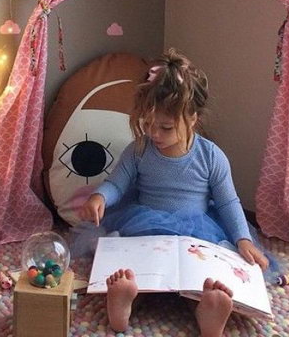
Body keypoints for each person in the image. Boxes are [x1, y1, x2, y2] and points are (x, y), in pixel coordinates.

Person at [78, 48, 269, 336]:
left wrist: (242, 238)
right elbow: (118, 183)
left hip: (197, 233)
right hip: (146, 228)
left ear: (192, 118)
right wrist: (100, 196)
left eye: (165, 127)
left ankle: (207, 309)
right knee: (137, 271)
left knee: (202, 278)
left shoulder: (211, 156)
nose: (154, 134)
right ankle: (127, 300)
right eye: (148, 125)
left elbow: (228, 201)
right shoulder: (139, 149)